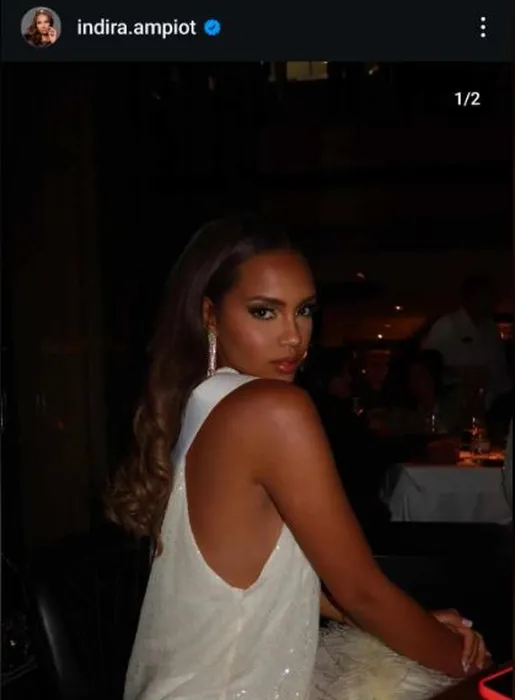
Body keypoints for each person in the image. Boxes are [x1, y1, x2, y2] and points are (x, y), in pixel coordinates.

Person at [106, 215, 489, 700]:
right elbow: (361, 592)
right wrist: (468, 664)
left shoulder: (202, 401)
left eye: (304, 310)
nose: (294, 336)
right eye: (264, 312)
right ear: (210, 315)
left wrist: (416, 628)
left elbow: (260, 583)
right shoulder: (273, 409)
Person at [422, 275, 511, 411]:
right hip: (453, 406)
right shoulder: (446, 325)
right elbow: (425, 367)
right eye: (483, 296)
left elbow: (500, 371)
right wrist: (460, 373)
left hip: (490, 405)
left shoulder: (491, 329)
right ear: (469, 298)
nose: (489, 302)